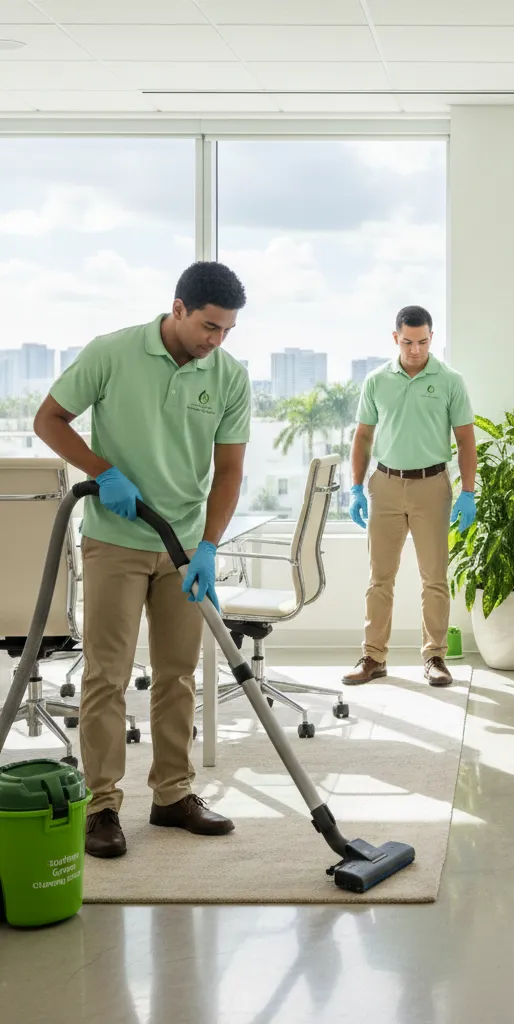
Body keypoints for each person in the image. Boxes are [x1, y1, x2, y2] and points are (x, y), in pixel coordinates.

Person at [33, 262, 251, 858]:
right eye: (209, 326)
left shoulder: (228, 375)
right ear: (178, 308)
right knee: (107, 674)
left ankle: (173, 795)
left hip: (183, 548)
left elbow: (229, 470)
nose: (216, 341)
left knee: (178, 674)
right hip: (115, 540)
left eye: (227, 330)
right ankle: (101, 805)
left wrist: (208, 544)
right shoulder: (112, 353)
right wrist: (102, 472)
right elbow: (47, 420)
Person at [344, 305, 477, 688]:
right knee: (379, 578)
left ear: (431, 338)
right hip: (385, 484)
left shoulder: (450, 380)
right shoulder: (376, 380)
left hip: (432, 486)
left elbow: (466, 440)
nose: (415, 350)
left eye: (421, 342)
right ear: (395, 338)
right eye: (407, 342)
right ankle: (373, 657)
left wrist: (467, 492)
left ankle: (435, 657)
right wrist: (356, 487)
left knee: (434, 577)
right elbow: (363, 436)